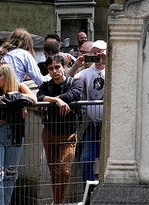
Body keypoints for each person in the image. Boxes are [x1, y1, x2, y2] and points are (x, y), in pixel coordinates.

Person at [0, 61, 36, 205]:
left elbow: (34, 99)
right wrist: (17, 99)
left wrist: (15, 98)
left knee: (11, 174)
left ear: (7, 76)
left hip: (15, 132)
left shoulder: (21, 86)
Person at [37, 55, 84, 204]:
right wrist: (56, 100)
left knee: (64, 171)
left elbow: (74, 94)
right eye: (51, 69)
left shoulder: (75, 82)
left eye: (57, 67)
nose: (54, 71)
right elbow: (39, 96)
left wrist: (54, 99)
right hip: (49, 133)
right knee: (54, 172)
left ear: (64, 67)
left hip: (68, 135)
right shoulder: (46, 85)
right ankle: (57, 201)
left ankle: (58, 202)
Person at [75, 40, 107, 182]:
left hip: (111, 127)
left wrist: (109, 62)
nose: (98, 55)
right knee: (86, 160)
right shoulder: (87, 72)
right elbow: (69, 79)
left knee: (110, 165)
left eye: (101, 52)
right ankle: (88, 196)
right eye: (94, 53)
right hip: (94, 126)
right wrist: (77, 64)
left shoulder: (114, 69)